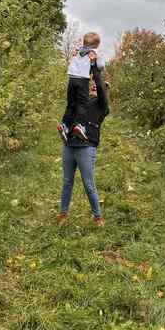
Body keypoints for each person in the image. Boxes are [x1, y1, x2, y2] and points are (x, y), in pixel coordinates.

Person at [57, 55, 109, 227]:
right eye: (92, 87)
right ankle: (63, 214)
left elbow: (99, 85)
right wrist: (78, 65)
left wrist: (95, 68)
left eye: (97, 88)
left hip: (86, 147)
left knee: (88, 183)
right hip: (69, 145)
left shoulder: (102, 106)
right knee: (67, 181)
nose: (94, 88)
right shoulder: (82, 101)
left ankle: (98, 216)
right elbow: (74, 94)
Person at [58, 31, 106, 143]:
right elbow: (101, 66)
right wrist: (96, 61)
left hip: (71, 79)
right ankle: (80, 125)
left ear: (84, 42)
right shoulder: (94, 52)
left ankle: (65, 125)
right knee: (82, 104)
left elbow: (74, 56)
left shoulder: (79, 50)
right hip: (82, 80)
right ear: (96, 45)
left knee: (71, 104)